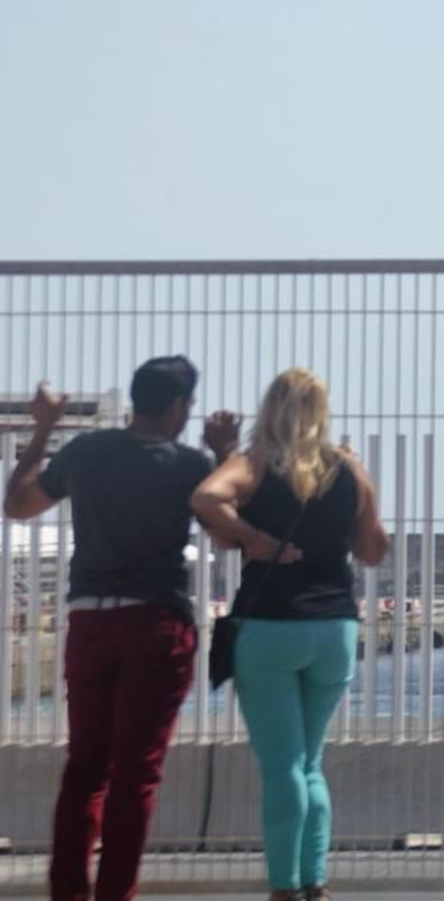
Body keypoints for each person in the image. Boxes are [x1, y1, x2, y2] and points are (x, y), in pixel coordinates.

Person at [3, 357, 239, 901]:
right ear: (177, 407)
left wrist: (42, 429)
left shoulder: (86, 452)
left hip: (90, 619)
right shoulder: (188, 465)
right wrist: (225, 455)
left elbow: (17, 505)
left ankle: (68, 893)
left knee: (85, 768)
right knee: (136, 775)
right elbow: (228, 536)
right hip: (156, 623)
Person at [191, 369, 390, 901]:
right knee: (310, 763)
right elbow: (372, 551)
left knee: (282, 767)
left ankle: (283, 888)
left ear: (271, 408)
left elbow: (207, 499)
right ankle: (314, 882)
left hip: (271, 628)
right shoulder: (349, 469)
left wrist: (257, 539)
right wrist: (361, 494)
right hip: (335, 628)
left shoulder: (254, 463)